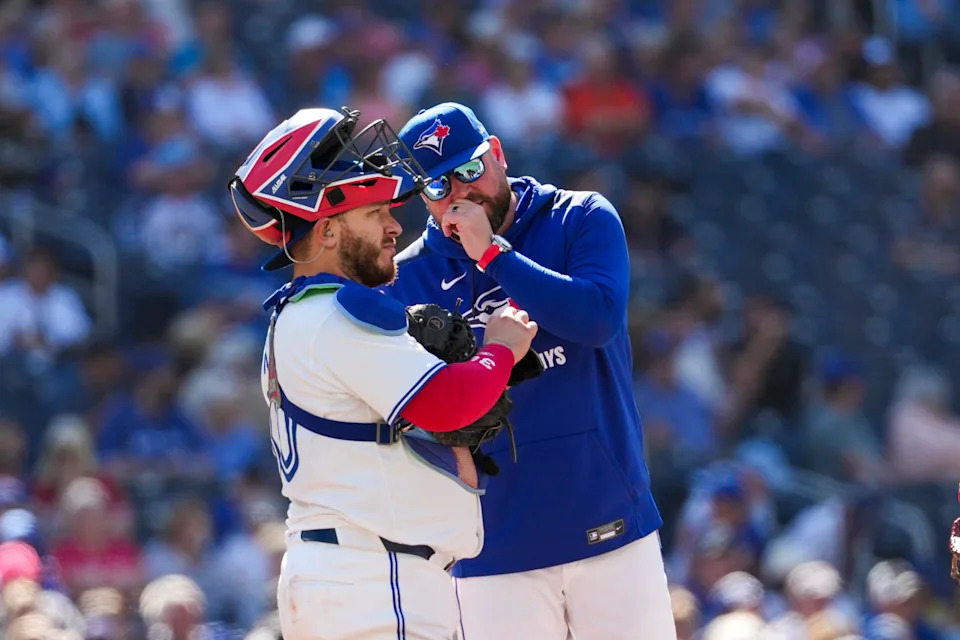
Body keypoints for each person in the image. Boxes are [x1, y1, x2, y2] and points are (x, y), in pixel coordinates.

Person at [228, 106, 537, 640]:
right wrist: (501, 351)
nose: (396, 225)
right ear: (326, 231)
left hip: (358, 576)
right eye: (375, 213)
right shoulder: (334, 314)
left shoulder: (306, 314)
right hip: (375, 579)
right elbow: (448, 402)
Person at [386, 102, 674, 640]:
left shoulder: (580, 216)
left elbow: (597, 320)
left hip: (608, 520)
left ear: (496, 153)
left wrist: (493, 256)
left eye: (469, 171)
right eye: (437, 187)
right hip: (492, 546)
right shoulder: (408, 278)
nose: (459, 196)